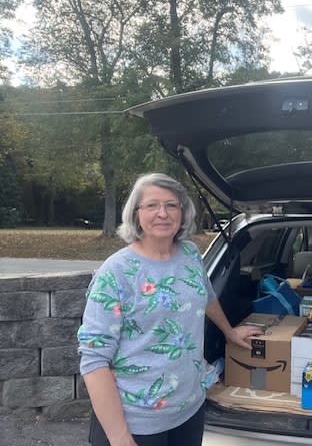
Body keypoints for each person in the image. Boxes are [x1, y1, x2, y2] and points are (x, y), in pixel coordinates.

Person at [77, 173, 263, 446]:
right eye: (152, 205)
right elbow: (93, 360)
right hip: (137, 422)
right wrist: (119, 437)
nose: (162, 213)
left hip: (189, 408)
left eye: (171, 205)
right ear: (136, 214)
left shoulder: (189, 254)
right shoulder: (116, 272)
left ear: (182, 212)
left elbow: (207, 296)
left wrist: (229, 331)